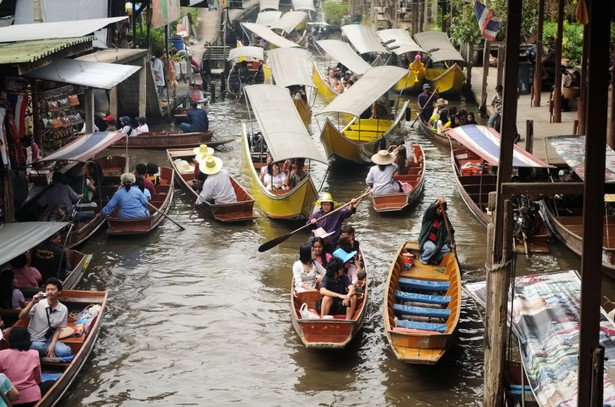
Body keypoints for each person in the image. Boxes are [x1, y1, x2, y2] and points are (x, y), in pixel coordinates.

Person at [18, 278, 71, 358]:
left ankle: (39, 353)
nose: (50, 292)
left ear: (59, 291)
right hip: (33, 341)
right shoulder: (37, 303)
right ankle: (42, 352)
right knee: (40, 346)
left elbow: (58, 328)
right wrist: (32, 302)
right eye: (47, 289)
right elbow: (21, 317)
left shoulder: (63, 309)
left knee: (66, 351)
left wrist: (53, 344)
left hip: (48, 341)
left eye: (53, 289)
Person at [0, 328, 39, 406]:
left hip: (10, 398)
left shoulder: (1, 354)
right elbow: (38, 379)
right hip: (32, 397)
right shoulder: (35, 353)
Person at [418, 198, 455, 265]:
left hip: (437, 243)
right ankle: (423, 258)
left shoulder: (445, 220)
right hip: (426, 241)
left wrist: (452, 243)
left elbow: (449, 233)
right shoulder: (428, 217)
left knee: (448, 248)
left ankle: (434, 259)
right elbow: (430, 210)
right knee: (432, 248)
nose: (440, 211)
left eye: (442, 209)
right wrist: (438, 202)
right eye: (438, 208)